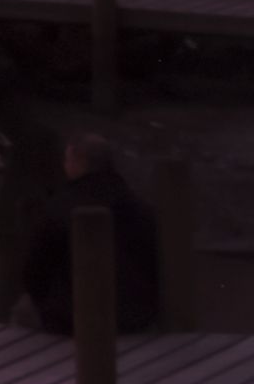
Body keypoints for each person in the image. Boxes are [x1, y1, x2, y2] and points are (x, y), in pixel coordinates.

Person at [23, 134, 162, 339]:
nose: (65, 166)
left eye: (67, 160)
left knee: (22, 310)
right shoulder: (141, 207)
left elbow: (34, 270)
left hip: (73, 319)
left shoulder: (59, 207)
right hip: (135, 316)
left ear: (78, 163)